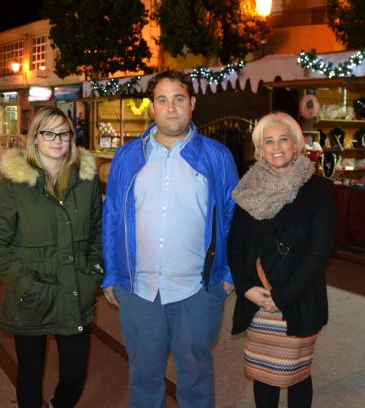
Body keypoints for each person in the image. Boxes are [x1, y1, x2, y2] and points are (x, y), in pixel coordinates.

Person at [101, 70, 239, 408]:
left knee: (196, 377)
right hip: (139, 290)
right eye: (162, 100)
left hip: (197, 290)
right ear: (152, 107)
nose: (171, 108)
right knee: (144, 376)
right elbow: (113, 217)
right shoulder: (128, 156)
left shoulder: (217, 157)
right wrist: (113, 274)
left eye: (179, 99)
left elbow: (235, 218)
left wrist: (227, 275)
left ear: (191, 104)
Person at [0, 106, 103, 408]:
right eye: (48, 132)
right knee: (30, 374)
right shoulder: (15, 184)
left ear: (71, 138)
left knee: (75, 375)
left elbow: (98, 232)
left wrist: (93, 271)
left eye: (63, 133)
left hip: (75, 290)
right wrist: (24, 283)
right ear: (35, 138)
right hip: (31, 295)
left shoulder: (86, 182)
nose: (57, 140)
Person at [228, 112, 336, 407]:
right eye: (268, 141)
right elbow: (235, 245)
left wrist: (284, 297)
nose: (276, 147)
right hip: (259, 299)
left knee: (297, 374)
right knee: (264, 376)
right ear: (259, 149)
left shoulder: (318, 190)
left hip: (298, 300)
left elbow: (320, 251)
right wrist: (246, 288)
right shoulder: (248, 190)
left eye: (283, 139)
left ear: (297, 144)